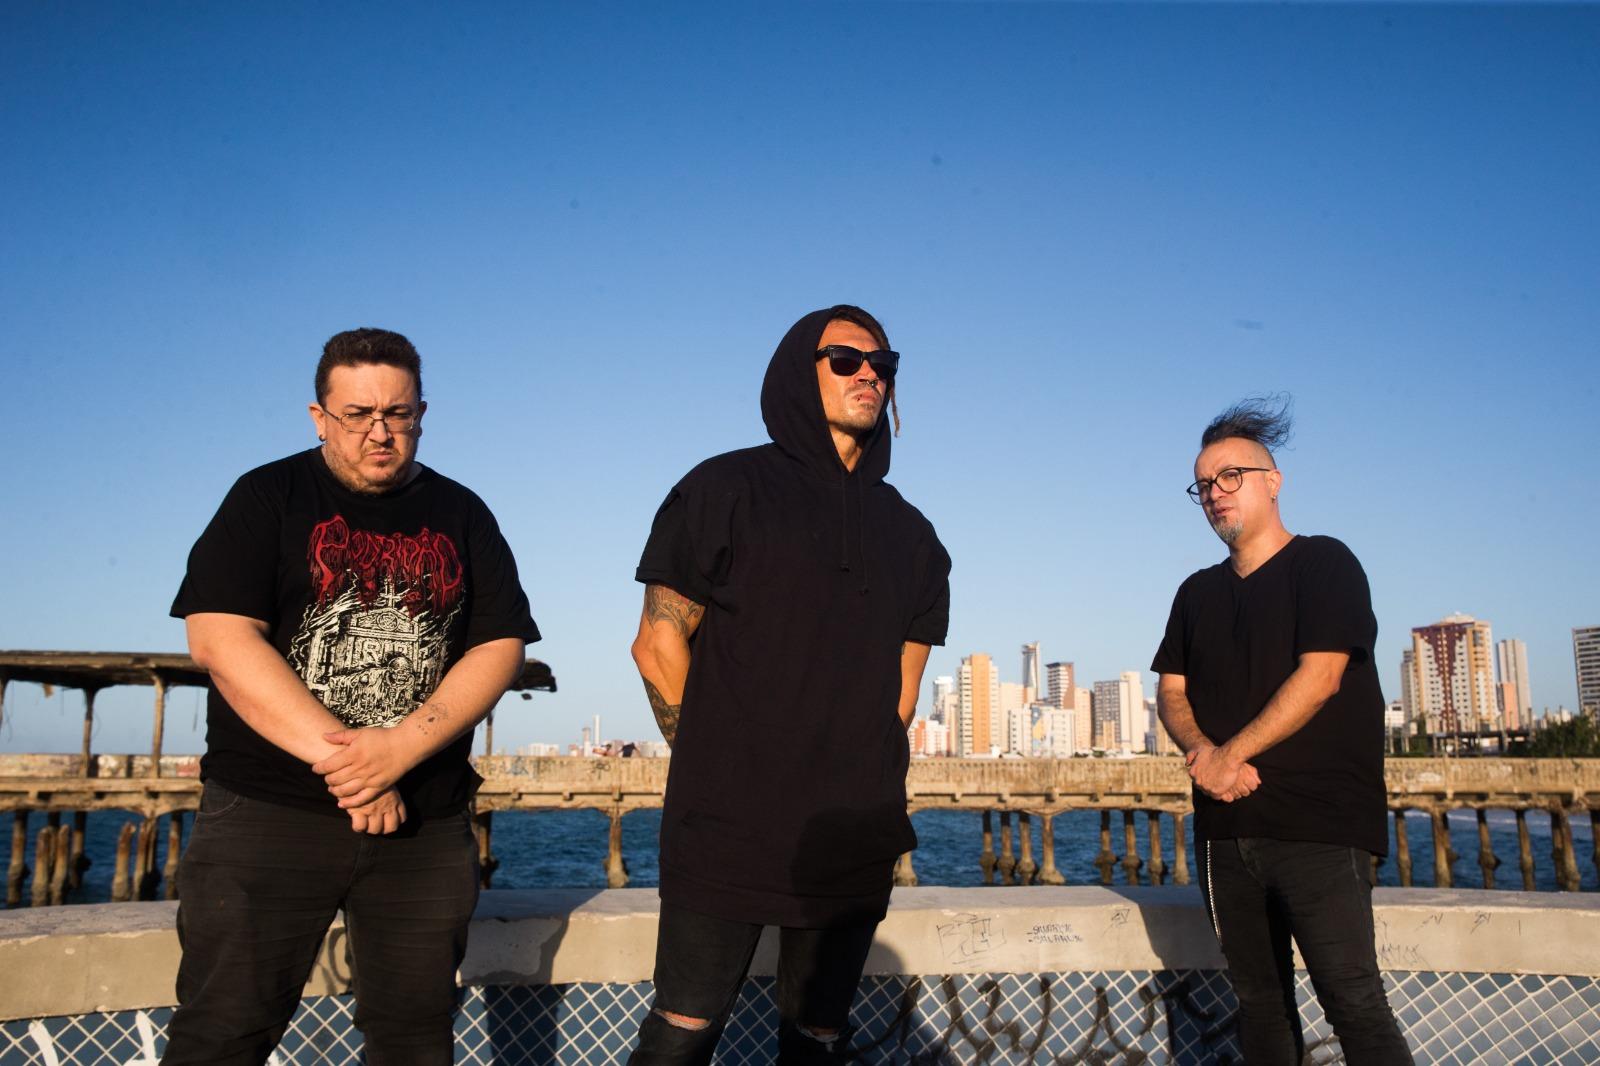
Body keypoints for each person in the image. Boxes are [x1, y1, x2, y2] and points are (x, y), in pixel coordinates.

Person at [164, 328, 540, 1065]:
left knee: (415, 1037)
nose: (379, 431)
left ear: (421, 414)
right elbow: (220, 639)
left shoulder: (463, 512)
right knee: (224, 1032)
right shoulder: (266, 496)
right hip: (268, 813)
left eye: (397, 413)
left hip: (423, 821)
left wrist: (400, 749)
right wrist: (358, 768)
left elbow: (500, 645)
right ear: (319, 417)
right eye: (358, 413)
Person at [627, 305, 951, 1064]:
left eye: (882, 364)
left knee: (818, 1040)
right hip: (726, 829)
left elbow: (900, 696)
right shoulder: (723, 489)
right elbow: (657, 643)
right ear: (796, 374)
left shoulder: (915, 537)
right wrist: (721, 766)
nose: (869, 374)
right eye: (844, 359)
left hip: (852, 835)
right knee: (682, 1033)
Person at [1152, 397, 1413, 1065]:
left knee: (1354, 1003)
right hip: (1224, 832)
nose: (1215, 493)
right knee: (1259, 1005)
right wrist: (1205, 755)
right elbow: (1171, 692)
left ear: (1273, 481)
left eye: (1230, 476)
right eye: (1203, 485)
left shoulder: (1324, 564)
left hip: (1318, 827)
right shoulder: (1195, 593)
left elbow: (1321, 676)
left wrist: (1230, 755)